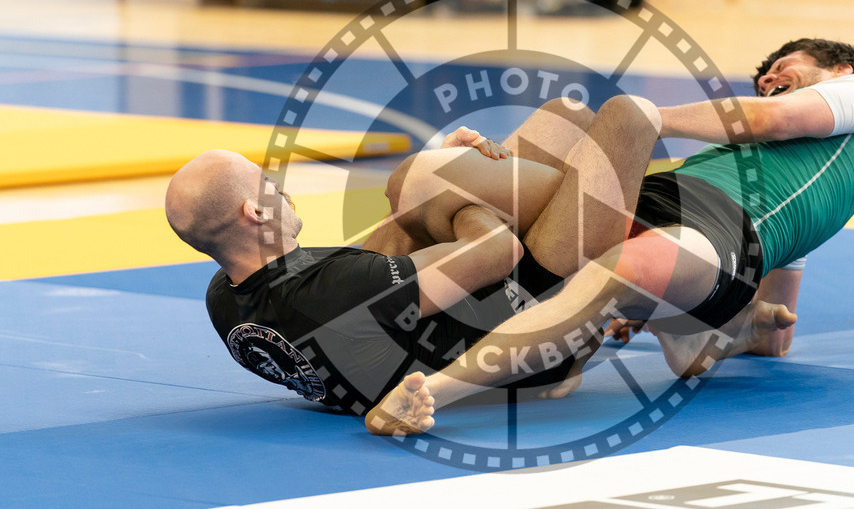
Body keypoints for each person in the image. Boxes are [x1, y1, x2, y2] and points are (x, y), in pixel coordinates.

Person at [365, 38, 854, 436]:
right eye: (763, 76)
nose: (767, 79)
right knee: (532, 131)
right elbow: (776, 337)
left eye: (785, 67)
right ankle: (341, 277)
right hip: (648, 199)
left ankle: (433, 394)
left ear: (840, 71)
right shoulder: (772, 168)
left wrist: (647, 120)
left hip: (720, 232)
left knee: (625, 158)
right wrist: (743, 327)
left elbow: (771, 120)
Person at [166, 95, 685, 414]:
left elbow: (374, 273)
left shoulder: (227, 297)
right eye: (266, 182)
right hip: (535, 321)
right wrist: (460, 192)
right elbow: (497, 251)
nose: (280, 187)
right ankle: (671, 292)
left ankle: (608, 226)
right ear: (255, 212)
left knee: (564, 118)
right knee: (626, 119)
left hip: (469, 308)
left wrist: (439, 174)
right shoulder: (337, 290)